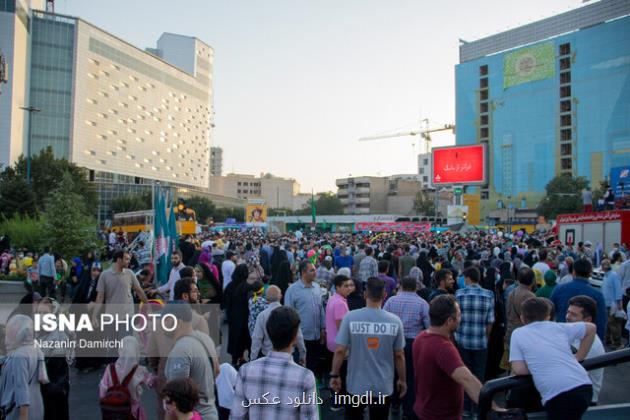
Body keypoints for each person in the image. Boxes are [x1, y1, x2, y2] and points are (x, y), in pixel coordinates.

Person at [330, 277, 406, 419]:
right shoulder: (395, 321)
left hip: (355, 385)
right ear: (384, 295)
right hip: (382, 386)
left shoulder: (350, 318)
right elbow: (399, 355)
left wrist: (335, 374)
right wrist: (402, 380)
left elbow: (340, 350)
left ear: (365, 294)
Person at [510, 297, 596, 420]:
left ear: (522, 318)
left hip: (557, 394)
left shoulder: (518, 333)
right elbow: (591, 328)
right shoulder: (559, 327)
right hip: (584, 386)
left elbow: (518, 369)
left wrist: (539, 365)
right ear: (547, 316)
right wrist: (578, 357)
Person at [413, 295, 493, 420]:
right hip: (441, 416)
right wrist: (495, 408)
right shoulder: (443, 348)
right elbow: (467, 380)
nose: (460, 319)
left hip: (424, 410)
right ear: (449, 320)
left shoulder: (420, 337)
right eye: (459, 315)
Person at [230, 306, 318, 419]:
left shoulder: (246, 371)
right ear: (295, 337)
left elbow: (236, 416)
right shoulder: (305, 377)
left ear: (269, 332)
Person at [383, 275, 430, 419]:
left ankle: (395, 404)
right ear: (416, 287)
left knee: (392, 375)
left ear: (400, 286)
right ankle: (409, 411)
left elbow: (383, 319)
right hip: (414, 344)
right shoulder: (422, 303)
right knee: (411, 377)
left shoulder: (391, 301)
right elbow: (429, 327)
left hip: (393, 342)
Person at [164, 302, 220, 420]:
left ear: (177, 322)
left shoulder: (181, 350)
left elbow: (174, 400)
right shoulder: (205, 338)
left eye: (166, 320)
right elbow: (217, 371)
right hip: (211, 412)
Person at [455, 266, 495, 415]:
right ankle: (478, 407)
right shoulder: (488, 295)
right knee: (479, 376)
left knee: (464, 375)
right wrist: (486, 337)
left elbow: (455, 318)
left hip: (463, 340)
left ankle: (465, 407)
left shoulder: (459, 294)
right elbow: (490, 321)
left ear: (468, 279)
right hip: (480, 341)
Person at [0, 315, 49, 420]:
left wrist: (23, 415)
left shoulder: (19, 356)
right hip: (36, 407)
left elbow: (21, 387)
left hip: (19, 413)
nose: (7, 334)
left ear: (19, 333)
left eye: (11, 331)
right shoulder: (33, 349)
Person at [285, 260, 326, 377]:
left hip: (316, 336)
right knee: (300, 368)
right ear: (303, 272)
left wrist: (323, 329)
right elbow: (288, 316)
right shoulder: (292, 290)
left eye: (315, 269)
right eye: (312, 270)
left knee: (313, 366)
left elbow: (320, 309)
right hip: (301, 338)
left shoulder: (317, 287)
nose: (315, 272)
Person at [99, 336, 156, 420]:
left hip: (113, 409)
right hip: (133, 411)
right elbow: (151, 383)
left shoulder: (110, 368)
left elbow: (102, 389)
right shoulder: (140, 370)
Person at [551, 258, 607, 340]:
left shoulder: (559, 289)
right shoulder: (597, 295)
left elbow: (550, 313)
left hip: (562, 336)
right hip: (585, 338)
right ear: (590, 273)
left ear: (573, 272)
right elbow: (600, 322)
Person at [565, 295, 605, 404]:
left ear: (587, 320)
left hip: (584, 401)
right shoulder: (575, 331)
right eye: (568, 312)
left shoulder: (591, 345)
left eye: (573, 314)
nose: (568, 317)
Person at [250, 285, 306, 362]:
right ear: (281, 296)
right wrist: (302, 354)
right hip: (289, 355)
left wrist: (253, 359)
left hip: (268, 355)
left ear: (266, 298)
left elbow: (256, 338)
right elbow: (299, 336)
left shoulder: (262, 315)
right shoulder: (290, 314)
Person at [36, 298, 71, 420]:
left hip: (54, 388)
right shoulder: (36, 332)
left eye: (45, 313)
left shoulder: (60, 335)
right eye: (39, 313)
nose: (41, 316)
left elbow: (56, 367)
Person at [223, 264, 253, 366]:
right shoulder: (247, 287)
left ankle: (235, 360)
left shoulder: (230, 286)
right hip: (245, 319)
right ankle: (249, 361)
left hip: (232, 319)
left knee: (235, 340)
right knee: (247, 341)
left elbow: (224, 302)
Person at [505, 267, 536, 348]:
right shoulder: (530, 296)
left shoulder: (511, 292)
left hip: (510, 333)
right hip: (524, 336)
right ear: (532, 280)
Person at [600, 259, 623, 348]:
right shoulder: (606, 276)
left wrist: (619, 302)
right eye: (603, 264)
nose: (605, 266)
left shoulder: (613, 275)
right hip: (607, 303)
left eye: (606, 264)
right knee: (609, 323)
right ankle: (608, 340)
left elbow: (618, 289)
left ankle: (617, 343)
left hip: (612, 304)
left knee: (614, 323)